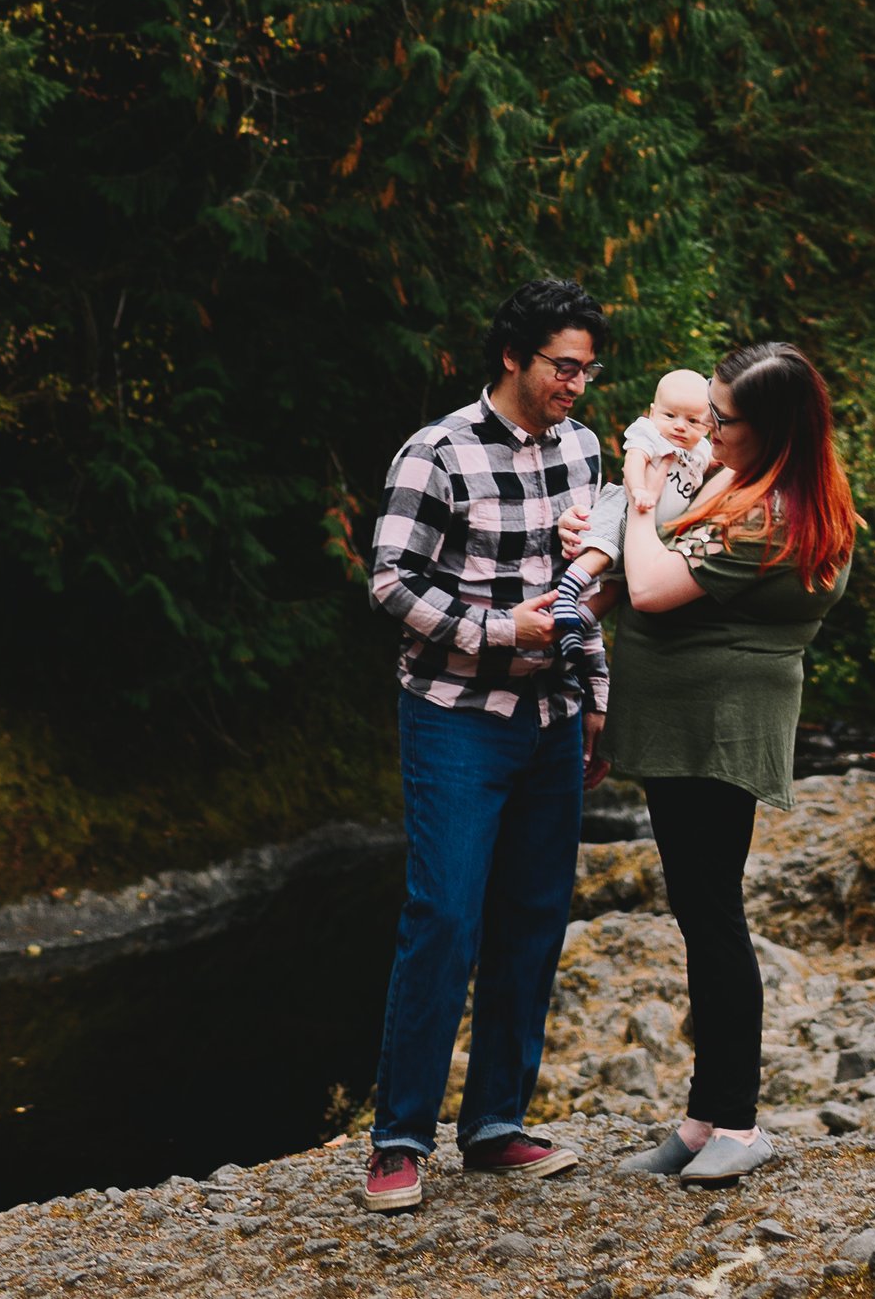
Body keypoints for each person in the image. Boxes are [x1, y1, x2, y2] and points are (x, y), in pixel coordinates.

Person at [361, 275, 611, 1215]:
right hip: (456, 716)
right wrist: (503, 631)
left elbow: (590, 586)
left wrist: (596, 693)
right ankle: (399, 1141)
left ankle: (495, 1125)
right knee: (446, 917)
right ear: (514, 355)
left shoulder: (585, 448)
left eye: (586, 369)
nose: (576, 384)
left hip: (554, 723)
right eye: (562, 366)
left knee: (533, 919)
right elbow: (389, 581)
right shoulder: (438, 451)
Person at [601, 337, 857, 1187]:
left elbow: (651, 585)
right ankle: (704, 1116)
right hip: (692, 723)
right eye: (709, 408)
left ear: (775, 428)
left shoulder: (776, 512)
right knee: (699, 909)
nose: (708, 425)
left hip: (717, 728)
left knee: (711, 914)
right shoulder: (746, 480)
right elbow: (658, 546)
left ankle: (738, 1121)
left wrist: (636, 511)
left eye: (725, 417)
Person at [549, 365, 731, 652]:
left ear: (708, 425)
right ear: (652, 411)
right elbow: (632, 462)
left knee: (616, 589)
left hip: (652, 535)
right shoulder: (649, 434)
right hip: (625, 509)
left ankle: (576, 627)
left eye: (693, 421)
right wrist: (639, 491)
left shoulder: (702, 450)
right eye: (670, 415)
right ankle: (566, 595)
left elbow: (704, 468)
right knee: (602, 553)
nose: (680, 426)